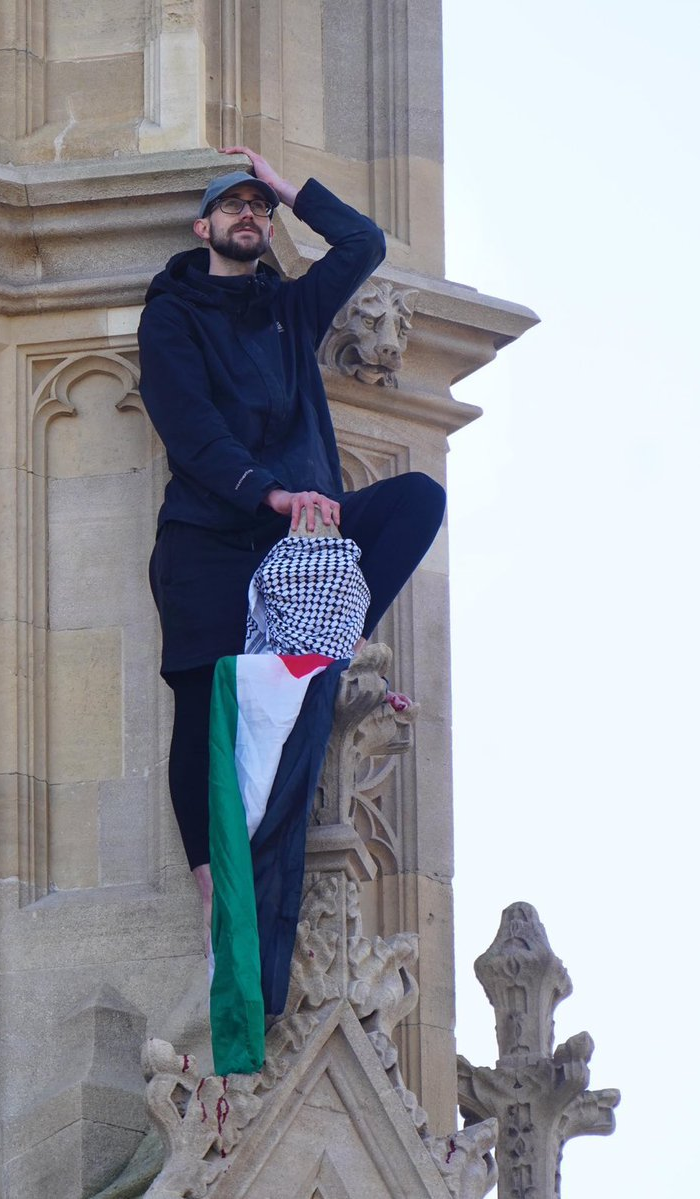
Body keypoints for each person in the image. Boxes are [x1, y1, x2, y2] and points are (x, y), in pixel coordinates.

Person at [137, 146, 446, 930]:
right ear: (203, 225)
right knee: (202, 700)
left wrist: (287, 187)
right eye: (234, 205)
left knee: (416, 500)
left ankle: (339, 642)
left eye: (259, 208)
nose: (250, 215)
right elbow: (190, 428)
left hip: (302, 538)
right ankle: (213, 880)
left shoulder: (289, 308)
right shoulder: (171, 312)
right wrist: (268, 492)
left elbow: (365, 244)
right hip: (212, 536)